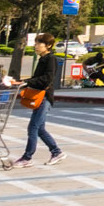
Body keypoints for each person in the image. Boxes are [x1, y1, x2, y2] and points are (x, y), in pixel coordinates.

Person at [11, 33, 64, 169]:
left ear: (48, 46)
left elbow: (47, 79)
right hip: (40, 96)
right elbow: (38, 78)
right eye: (35, 43)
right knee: (39, 128)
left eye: (39, 43)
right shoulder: (43, 59)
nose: (36, 46)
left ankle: (27, 157)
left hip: (44, 97)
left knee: (33, 127)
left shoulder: (50, 59)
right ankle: (56, 152)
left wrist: (27, 82)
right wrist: (23, 82)